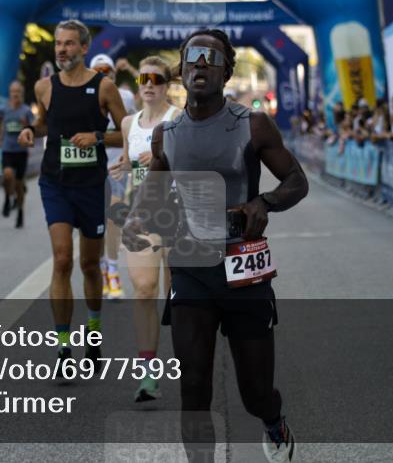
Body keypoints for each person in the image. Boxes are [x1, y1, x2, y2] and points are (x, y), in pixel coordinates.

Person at [122, 28, 308, 463]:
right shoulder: (166, 135)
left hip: (245, 270)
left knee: (256, 392)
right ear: (182, 70)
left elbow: (297, 180)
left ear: (227, 71)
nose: (200, 64)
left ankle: (272, 420)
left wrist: (265, 201)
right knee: (194, 386)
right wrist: (137, 216)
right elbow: (154, 188)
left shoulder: (254, 124)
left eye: (211, 57)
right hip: (191, 268)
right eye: (192, 56)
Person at [17, 19, 127, 366]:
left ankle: (93, 335)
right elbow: (45, 122)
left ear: (83, 48)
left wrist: (96, 137)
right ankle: (64, 346)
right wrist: (30, 131)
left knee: (89, 265)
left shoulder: (104, 87)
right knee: (63, 258)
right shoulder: (44, 87)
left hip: (92, 186)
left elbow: (126, 134)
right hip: (56, 183)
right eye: (58, 44)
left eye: (68, 44)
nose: (61, 49)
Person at [108, 55, 180, 402]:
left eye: (157, 78)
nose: (149, 84)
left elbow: (194, 160)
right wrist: (125, 165)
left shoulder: (178, 119)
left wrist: (165, 156)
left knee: (177, 296)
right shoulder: (127, 123)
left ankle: (191, 362)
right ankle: (148, 373)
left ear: (167, 85)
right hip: (142, 215)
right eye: (144, 79)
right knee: (144, 288)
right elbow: (129, 160)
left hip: (179, 216)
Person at [90, 52, 137, 299]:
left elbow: (150, 93)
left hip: (117, 167)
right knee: (94, 225)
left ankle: (113, 269)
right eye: (98, 72)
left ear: (114, 75)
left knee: (113, 220)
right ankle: (101, 268)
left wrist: (130, 66)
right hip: (90, 169)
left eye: (107, 71)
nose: (103, 76)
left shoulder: (126, 97)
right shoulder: (83, 100)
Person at [0, 81, 34, 228]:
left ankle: (20, 212)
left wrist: (29, 142)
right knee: (7, 175)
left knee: (19, 185)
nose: (15, 94)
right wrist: (0, 138)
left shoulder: (26, 111)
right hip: (7, 149)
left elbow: (32, 129)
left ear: (22, 93)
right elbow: (2, 125)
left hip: (21, 152)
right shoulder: (4, 109)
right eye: (13, 91)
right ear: (10, 92)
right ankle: (7, 197)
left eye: (18, 91)